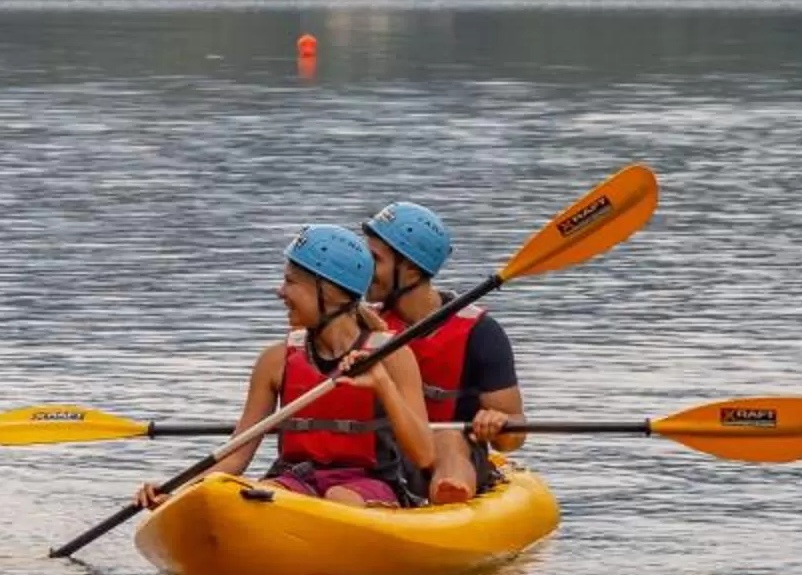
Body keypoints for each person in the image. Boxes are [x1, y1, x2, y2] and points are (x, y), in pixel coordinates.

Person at [137, 224, 435, 511]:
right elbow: (234, 457)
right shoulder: (275, 361)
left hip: (369, 485)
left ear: (328, 291)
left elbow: (423, 455)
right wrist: (176, 491)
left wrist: (382, 385)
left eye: (291, 282)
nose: (280, 292)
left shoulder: (393, 357)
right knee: (251, 494)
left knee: (339, 497)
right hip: (297, 481)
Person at [361, 200, 525, 504]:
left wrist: (497, 424)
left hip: (454, 451)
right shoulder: (363, 325)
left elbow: (513, 439)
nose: (362, 267)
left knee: (449, 438)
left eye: (374, 259)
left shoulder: (481, 333)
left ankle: (450, 492)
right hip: (380, 456)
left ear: (411, 271)